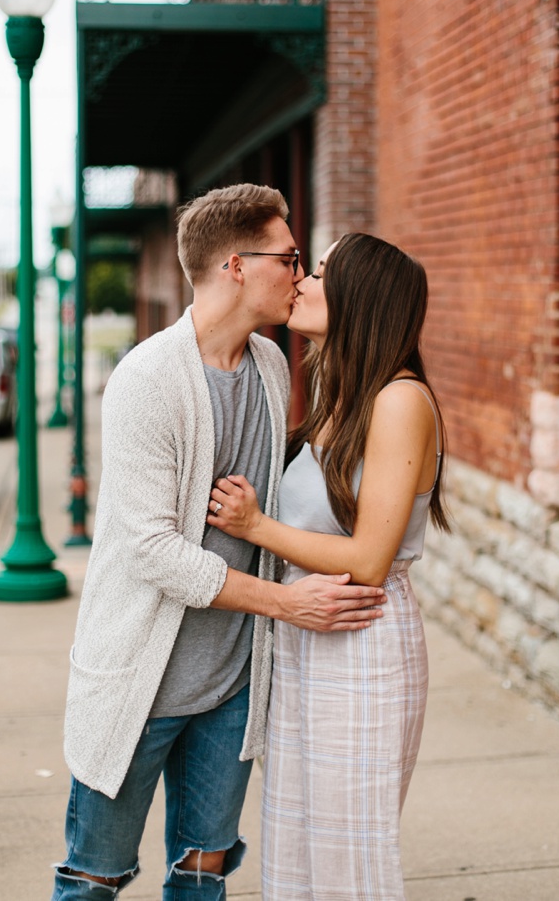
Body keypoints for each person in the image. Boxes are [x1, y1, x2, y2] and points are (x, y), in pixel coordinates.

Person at [54, 184, 388, 901]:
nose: (299, 274)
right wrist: (286, 604)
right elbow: (152, 549)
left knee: (203, 877)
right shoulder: (146, 379)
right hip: (138, 686)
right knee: (94, 877)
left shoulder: (272, 363)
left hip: (231, 687)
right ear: (236, 264)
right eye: (290, 256)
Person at [207, 232, 448, 901]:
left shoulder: (400, 401)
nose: (302, 282)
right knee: (300, 843)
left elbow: (370, 560)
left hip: (362, 641)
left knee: (349, 857)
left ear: (360, 297)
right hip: (307, 641)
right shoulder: (339, 398)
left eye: (317, 272)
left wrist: (258, 526)